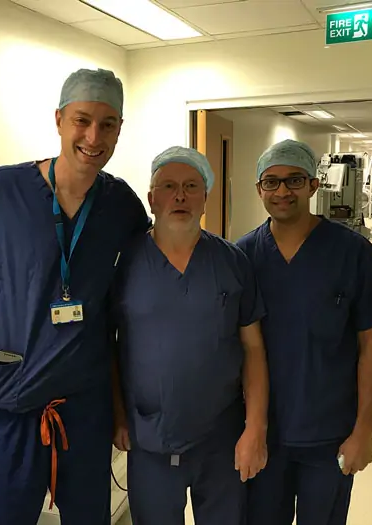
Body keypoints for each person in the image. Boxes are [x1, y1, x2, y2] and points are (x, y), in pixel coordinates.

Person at [0, 68, 150, 525]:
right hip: (11, 400)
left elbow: (150, 275)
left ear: (119, 130)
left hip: (84, 405)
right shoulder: (0, 191)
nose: (93, 137)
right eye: (82, 120)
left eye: (107, 124)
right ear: (59, 120)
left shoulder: (120, 205)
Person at [237, 140, 372, 525]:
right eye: (271, 182)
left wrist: (364, 432)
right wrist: (248, 429)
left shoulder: (355, 253)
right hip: (264, 433)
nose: (282, 191)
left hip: (330, 433)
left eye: (294, 180)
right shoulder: (243, 257)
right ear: (259, 189)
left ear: (314, 185)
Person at [111, 146, 270, 525]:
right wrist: (117, 415)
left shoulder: (232, 261)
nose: (179, 196)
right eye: (168, 186)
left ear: (205, 198)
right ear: (151, 199)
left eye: (191, 186)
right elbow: (108, 346)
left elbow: (253, 348)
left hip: (221, 439)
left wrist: (255, 428)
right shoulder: (123, 263)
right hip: (150, 437)